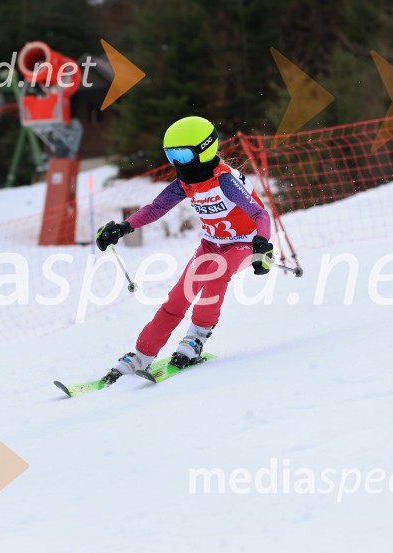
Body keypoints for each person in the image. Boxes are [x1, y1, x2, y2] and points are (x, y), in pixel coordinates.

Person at [95, 116, 274, 384]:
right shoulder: (185, 183)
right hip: (211, 245)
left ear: (205, 150)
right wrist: (122, 228)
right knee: (178, 298)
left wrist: (263, 246)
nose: (177, 164)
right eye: (171, 156)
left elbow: (261, 215)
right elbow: (156, 208)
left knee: (216, 273)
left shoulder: (224, 180)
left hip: (245, 243)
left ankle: (196, 338)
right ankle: (142, 354)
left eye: (182, 155)